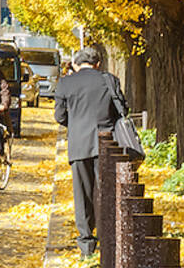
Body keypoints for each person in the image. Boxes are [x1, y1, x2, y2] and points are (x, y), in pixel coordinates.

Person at [54, 46, 128, 259]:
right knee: (107, 191)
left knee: (82, 194)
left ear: (77, 63)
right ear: (98, 63)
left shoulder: (66, 83)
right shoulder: (109, 80)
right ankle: (109, 238)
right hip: (108, 144)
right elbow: (122, 109)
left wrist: (76, 126)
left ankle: (86, 244)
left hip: (79, 144)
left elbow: (59, 116)